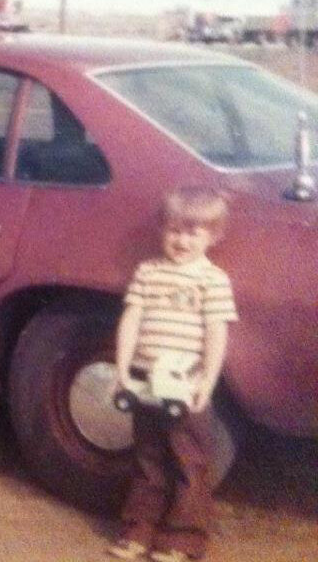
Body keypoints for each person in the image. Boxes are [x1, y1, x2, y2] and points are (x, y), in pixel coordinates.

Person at [107, 187, 238, 562]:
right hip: (147, 381)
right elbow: (131, 321)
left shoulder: (212, 280)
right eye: (174, 231)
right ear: (163, 230)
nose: (181, 240)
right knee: (148, 458)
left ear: (212, 236)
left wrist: (207, 384)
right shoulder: (148, 272)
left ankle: (183, 538)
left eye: (193, 232)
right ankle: (139, 530)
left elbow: (217, 335)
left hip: (186, 385)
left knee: (189, 460)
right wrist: (122, 371)